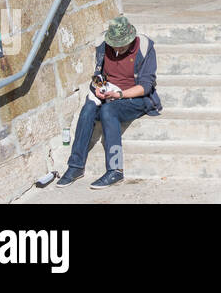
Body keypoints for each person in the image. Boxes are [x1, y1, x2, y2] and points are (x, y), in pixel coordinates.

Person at [56, 15, 161, 190]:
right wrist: (99, 87)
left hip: (134, 98)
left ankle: (115, 169)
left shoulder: (144, 47)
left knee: (108, 111)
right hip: (109, 92)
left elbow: (146, 86)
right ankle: (75, 166)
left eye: (121, 44)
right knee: (88, 107)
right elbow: (99, 74)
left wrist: (120, 94)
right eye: (114, 44)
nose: (117, 48)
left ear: (130, 38)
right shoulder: (104, 46)